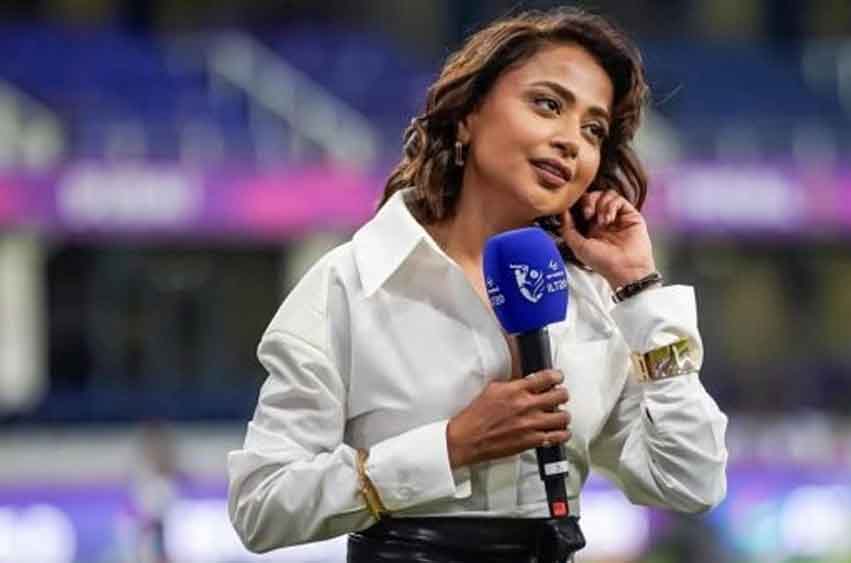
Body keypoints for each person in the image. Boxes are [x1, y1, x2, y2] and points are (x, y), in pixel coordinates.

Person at [228, 7, 728, 562]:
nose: (571, 141)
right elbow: (260, 505)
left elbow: (692, 482)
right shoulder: (348, 284)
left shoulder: (595, 301)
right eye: (548, 105)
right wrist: (450, 447)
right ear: (467, 115)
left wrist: (639, 291)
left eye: (594, 129)